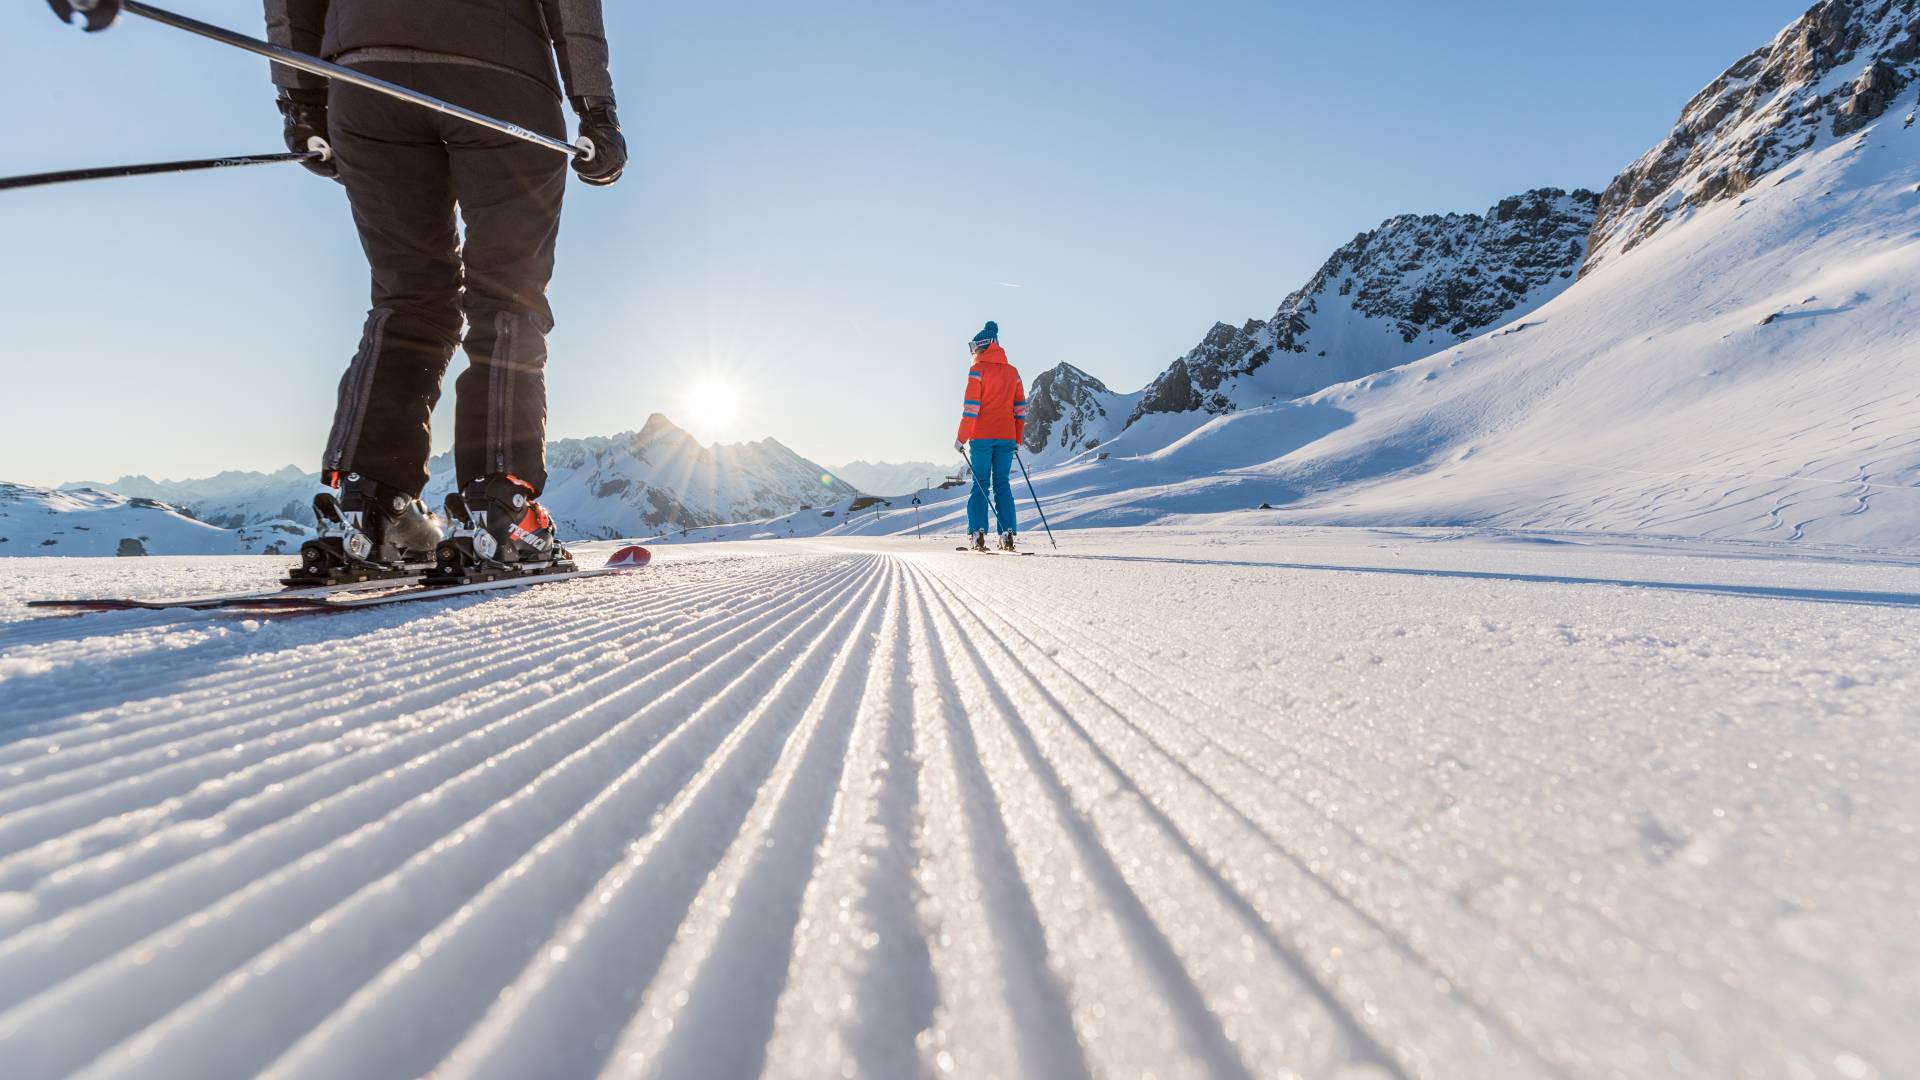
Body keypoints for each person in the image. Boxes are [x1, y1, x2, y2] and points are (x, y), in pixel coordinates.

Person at [265, 0, 627, 575]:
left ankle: (372, 504)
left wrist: (302, 100)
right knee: (508, 295)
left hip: (364, 78)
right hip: (500, 79)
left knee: (408, 298)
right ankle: (498, 506)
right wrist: (595, 108)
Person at [954, 321, 1027, 551]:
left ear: (983, 346)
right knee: (1002, 484)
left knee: (980, 484)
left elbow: (971, 408)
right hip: (1006, 437)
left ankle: (977, 533)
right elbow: (1020, 410)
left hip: (982, 438)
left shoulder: (977, 371)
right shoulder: (1012, 373)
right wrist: (1017, 439)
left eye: (974, 347)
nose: (973, 352)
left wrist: (961, 438)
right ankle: (1007, 534)